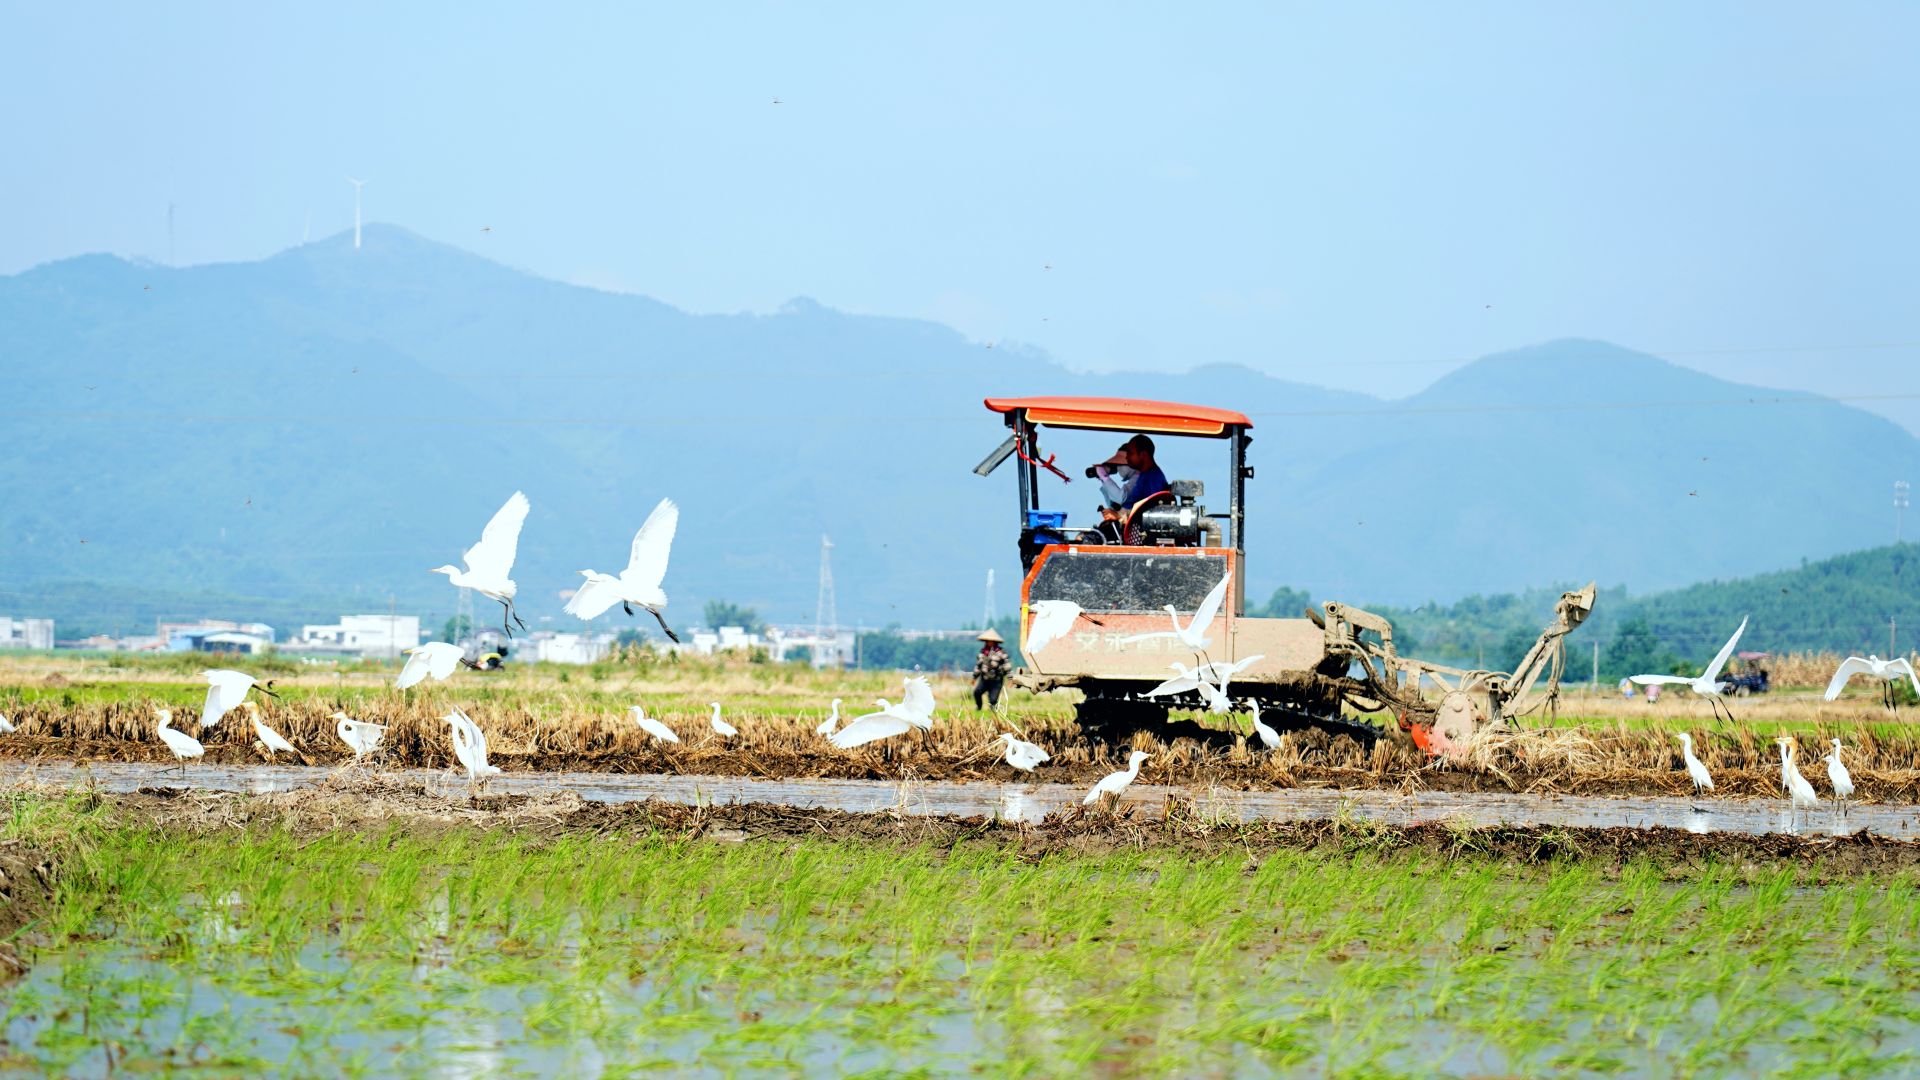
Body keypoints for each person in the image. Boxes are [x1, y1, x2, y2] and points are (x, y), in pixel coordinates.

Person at [1099, 434, 1170, 528]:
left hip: (1138, 535)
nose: (1127, 458)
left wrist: (1120, 516)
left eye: (1130, 454)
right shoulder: (1144, 476)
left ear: (1143, 455)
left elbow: (1151, 514)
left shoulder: (1153, 478)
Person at [972, 628, 1012, 709]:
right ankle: (979, 707)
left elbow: (1007, 666)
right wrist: (974, 677)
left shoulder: (1001, 652)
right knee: (977, 692)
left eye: (990, 640)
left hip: (996, 680)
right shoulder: (982, 652)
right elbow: (978, 666)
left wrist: (1010, 679)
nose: (988, 642)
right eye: (987, 640)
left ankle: (993, 714)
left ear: (994, 641)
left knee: (993, 701)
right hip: (984, 679)